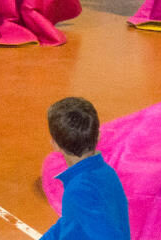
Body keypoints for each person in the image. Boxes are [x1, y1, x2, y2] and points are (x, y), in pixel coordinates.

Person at [42, 97, 130, 240]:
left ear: (55, 145)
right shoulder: (106, 173)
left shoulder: (78, 190)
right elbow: (69, 222)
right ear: (98, 136)